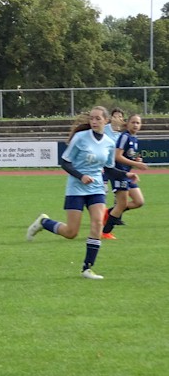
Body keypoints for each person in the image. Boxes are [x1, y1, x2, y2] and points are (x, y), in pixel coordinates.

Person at [26, 106, 139, 280]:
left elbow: (109, 169)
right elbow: (65, 162)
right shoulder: (80, 138)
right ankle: (44, 222)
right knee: (71, 232)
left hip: (96, 188)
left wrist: (126, 175)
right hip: (76, 188)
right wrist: (81, 176)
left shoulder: (109, 142)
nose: (94, 121)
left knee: (97, 224)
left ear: (106, 121)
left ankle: (87, 269)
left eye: (98, 118)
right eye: (92, 118)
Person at [102, 114, 149, 239]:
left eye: (138, 123)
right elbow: (117, 156)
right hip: (119, 174)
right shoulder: (125, 137)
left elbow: (127, 156)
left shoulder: (134, 138)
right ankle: (105, 232)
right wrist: (137, 164)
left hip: (128, 175)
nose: (135, 125)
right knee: (121, 204)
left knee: (139, 201)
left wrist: (135, 160)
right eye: (133, 122)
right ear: (127, 124)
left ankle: (109, 212)